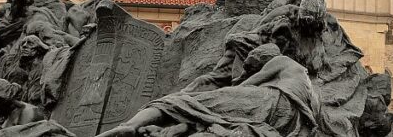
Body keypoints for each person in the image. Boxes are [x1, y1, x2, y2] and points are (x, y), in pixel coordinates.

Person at [93, 44, 318, 137]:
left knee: (191, 101)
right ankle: (175, 129)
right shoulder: (308, 84)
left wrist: (228, 91)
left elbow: (248, 85)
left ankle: (130, 126)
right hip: (287, 121)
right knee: (213, 115)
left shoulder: (281, 60)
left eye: (253, 64)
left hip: (270, 101)